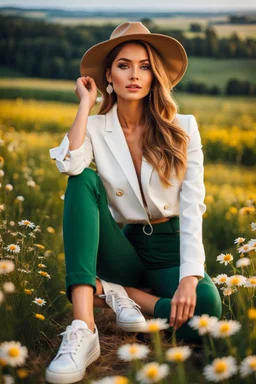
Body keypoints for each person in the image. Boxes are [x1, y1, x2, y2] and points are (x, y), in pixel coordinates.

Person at [45, 21, 222, 384]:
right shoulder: (95, 127)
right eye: (124, 65)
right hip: (126, 249)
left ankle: (120, 294)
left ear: (155, 75)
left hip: (172, 248)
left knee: (207, 305)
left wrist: (189, 277)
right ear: (109, 74)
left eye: (144, 66)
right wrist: (85, 105)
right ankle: (84, 326)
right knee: (83, 180)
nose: (135, 75)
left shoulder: (184, 127)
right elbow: (69, 164)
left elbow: (192, 207)